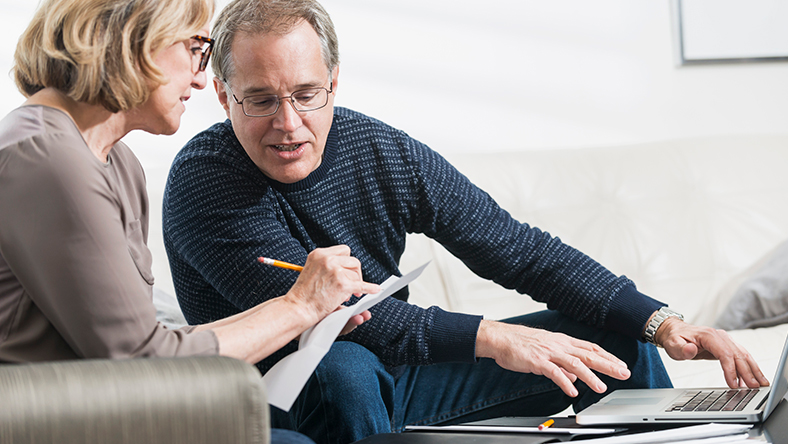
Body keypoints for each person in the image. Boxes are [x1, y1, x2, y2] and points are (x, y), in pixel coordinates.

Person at [162, 0, 770, 443]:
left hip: (399, 373)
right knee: (340, 369)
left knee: (606, 346)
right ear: (224, 97)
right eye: (262, 100)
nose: (288, 122)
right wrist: (496, 336)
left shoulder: (379, 151)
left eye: (305, 94)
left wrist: (662, 322)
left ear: (333, 86)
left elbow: (516, 249)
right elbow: (339, 325)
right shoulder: (204, 181)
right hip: (280, 396)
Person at [0, 1, 380, 443]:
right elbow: (141, 363)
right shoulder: (46, 159)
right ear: (134, 42)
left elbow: (147, 342)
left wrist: (303, 311)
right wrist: (299, 307)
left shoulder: (115, 161)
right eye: (196, 47)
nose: (202, 78)